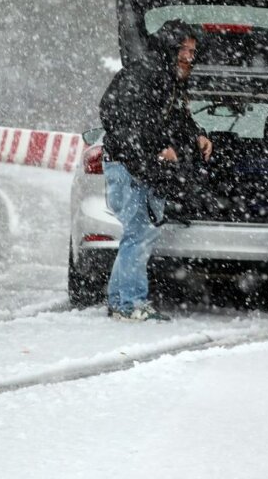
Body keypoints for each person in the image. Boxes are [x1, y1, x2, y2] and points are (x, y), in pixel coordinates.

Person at [99, 20, 212, 321]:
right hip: (129, 166)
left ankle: (118, 300)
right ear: (169, 48)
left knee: (136, 234)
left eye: (192, 51)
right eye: (184, 50)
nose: (190, 56)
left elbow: (176, 118)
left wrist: (196, 134)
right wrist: (157, 147)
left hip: (144, 166)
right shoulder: (145, 74)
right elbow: (117, 115)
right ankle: (131, 304)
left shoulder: (169, 79)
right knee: (139, 233)